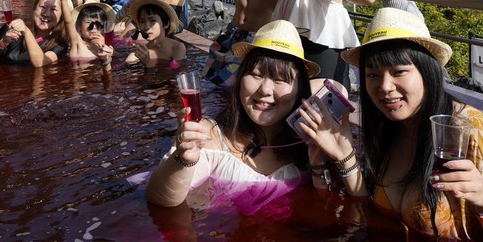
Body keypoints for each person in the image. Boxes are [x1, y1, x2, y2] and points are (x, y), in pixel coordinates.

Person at [342, 8, 483, 242]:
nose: (384, 87)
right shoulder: (391, 126)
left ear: (428, 70)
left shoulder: (474, 134)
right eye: (372, 75)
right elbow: (368, 211)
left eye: (399, 71)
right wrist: (341, 153)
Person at [146, 20, 355, 211]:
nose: (265, 90)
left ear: (299, 89)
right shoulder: (209, 135)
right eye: (255, 74)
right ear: (240, 78)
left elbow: (328, 209)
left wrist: (318, 165)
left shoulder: (310, 141)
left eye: (281, 79)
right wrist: (183, 159)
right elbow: (161, 200)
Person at [0, 0, 68, 66]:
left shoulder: (60, 42)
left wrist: (26, 31)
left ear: (61, 16)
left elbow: (40, 63)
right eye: (43, 7)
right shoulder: (15, 24)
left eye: (53, 9)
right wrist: (2, 43)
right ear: (34, 8)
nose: (46, 14)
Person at [124, 0, 187, 66]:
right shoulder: (141, 52)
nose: (147, 26)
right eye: (142, 21)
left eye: (152, 20)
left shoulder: (177, 48)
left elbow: (177, 72)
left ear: (166, 24)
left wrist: (148, 63)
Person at [59, 0, 115, 64]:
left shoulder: (104, 44)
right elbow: (68, 22)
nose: (94, 27)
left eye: (98, 23)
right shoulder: (77, 42)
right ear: (79, 27)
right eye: (88, 22)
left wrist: (104, 48)